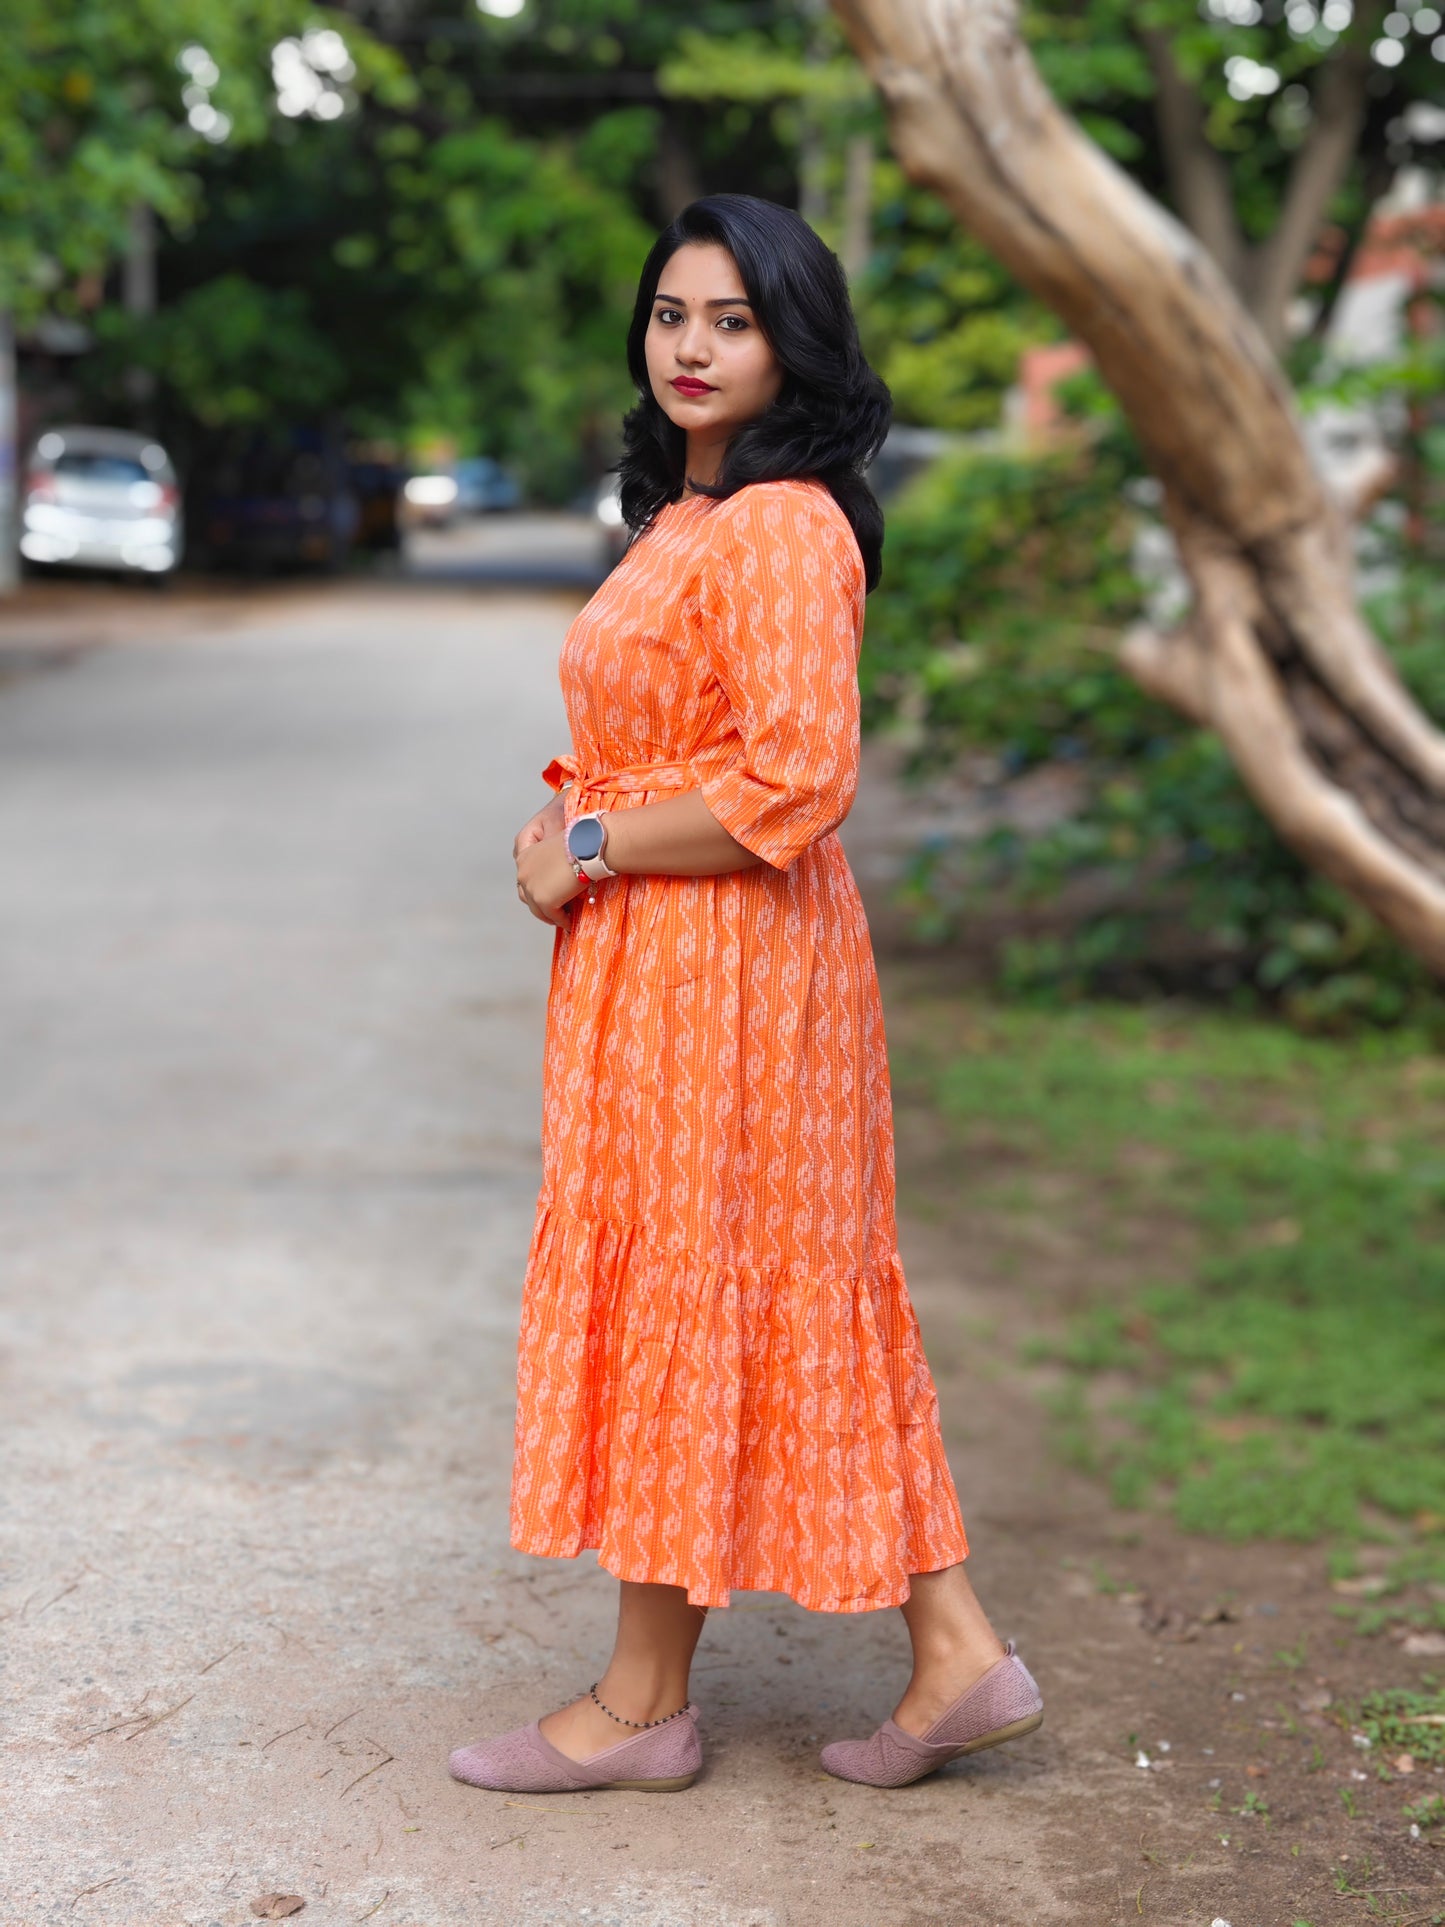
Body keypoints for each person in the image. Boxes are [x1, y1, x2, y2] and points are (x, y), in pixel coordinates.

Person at [448, 194, 1042, 1797]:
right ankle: (952, 1652)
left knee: (706, 1289)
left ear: (794, 341)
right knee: (729, 1289)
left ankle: (647, 1703)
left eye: (731, 320)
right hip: (665, 967)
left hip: (731, 977)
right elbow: (677, 744)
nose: (692, 348)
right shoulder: (691, 516)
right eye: (670, 316)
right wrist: (573, 829)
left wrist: (582, 836)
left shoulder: (782, 525)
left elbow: (796, 780)